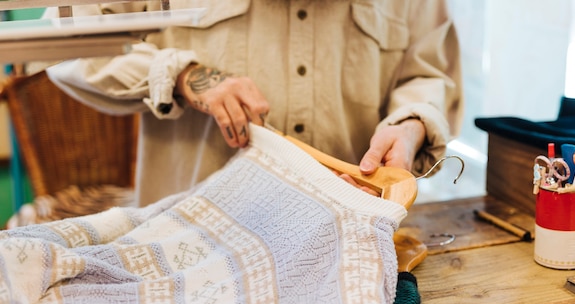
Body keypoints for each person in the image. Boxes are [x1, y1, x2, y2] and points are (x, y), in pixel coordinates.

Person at [43, 0, 463, 207]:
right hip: (191, 249)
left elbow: (428, 72)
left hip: (349, 245)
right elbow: (62, 42)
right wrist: (182, 76)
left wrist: (411, 125)